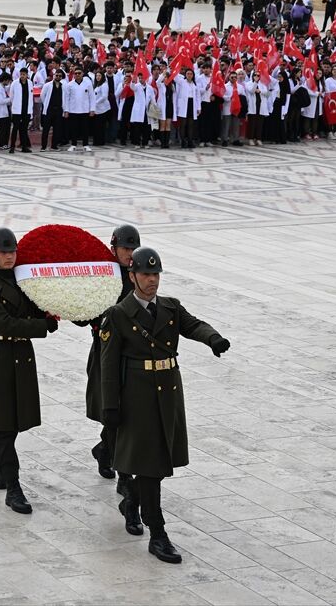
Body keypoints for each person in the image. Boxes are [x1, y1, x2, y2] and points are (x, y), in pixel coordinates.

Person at [100, 246, 231, 563]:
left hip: (167, 394)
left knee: (154, 463)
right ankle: (157, 534)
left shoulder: (171, 308)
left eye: (156, 274)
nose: (152, 280)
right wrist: (111, 407)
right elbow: (108, 365)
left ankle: (131, 501)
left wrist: (213, 338)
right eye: (146, 274)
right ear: (132, 277)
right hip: (137, 398)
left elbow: (193, 324)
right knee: (150, 467)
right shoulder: (118, 315)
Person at [0, 227, 59, 514]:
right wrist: (42, 326)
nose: (9, 257)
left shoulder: (25, 281)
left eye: (12, 252)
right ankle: (14, 488)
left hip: (21, 357)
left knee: (14, 423)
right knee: (4, 426)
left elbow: (34, 310)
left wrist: (51, 310)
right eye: (3, 252)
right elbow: (6, 325)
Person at [84, 225, 140, 498]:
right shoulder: (102, 275)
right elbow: (85, 314)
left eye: (132, 249)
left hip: (131, 355)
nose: (129, 254)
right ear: (113, 248)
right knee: (112, 408)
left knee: (125, 412)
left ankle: (105, 450)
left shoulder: (137, 275)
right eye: (125, 249)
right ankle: (122, 474)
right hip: (106, 352)